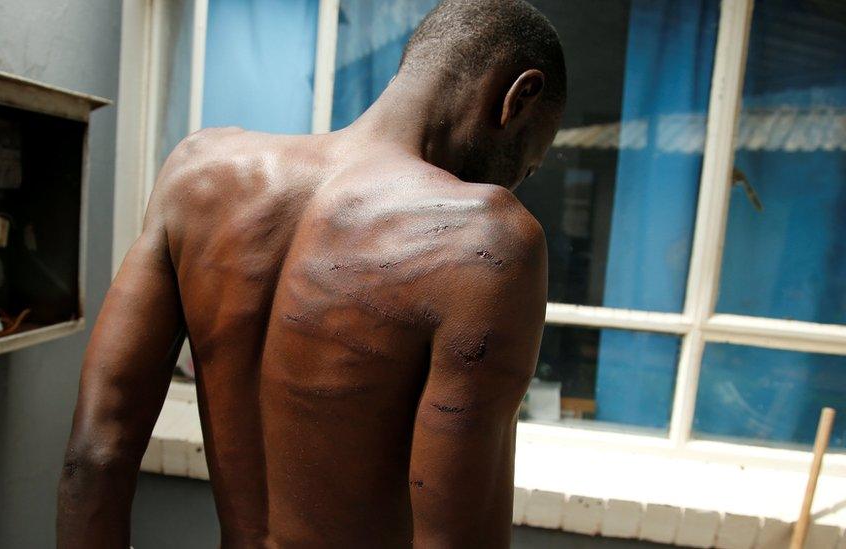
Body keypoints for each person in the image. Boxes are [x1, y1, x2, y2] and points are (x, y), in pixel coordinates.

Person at [57, 0, 566, 546]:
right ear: (518, 96)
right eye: (527, 163)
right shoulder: (487, 240)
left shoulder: (196, 175)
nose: (515, 182)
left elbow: (94, 460)